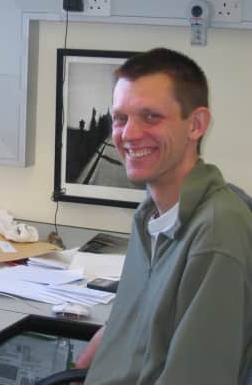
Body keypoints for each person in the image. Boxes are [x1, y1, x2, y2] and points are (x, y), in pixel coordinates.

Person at [76, 48, 252, 384]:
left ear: (196, 125)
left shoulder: (216, 233)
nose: (128, 134)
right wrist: (111, 335)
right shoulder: (150, 217)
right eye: (120, 118)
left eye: (151, 117)